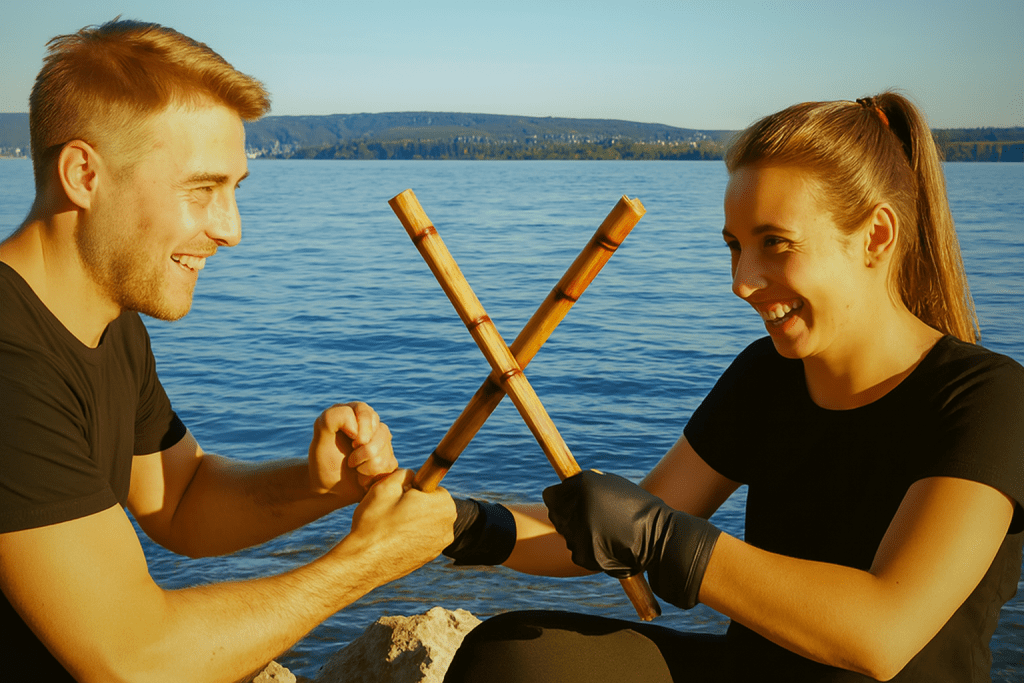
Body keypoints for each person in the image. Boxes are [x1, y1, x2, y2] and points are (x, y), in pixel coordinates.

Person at [440, 92, 1024, 682]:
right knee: (516, 653)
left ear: (875, 236)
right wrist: (456, 524)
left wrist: (660, 536)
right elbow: (606, 534)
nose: (743, 282)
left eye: (775, 242)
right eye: (735, 247)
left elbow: (881, 633)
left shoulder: (988, 397)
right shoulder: (767, 375)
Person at [0, 19, 455, 682]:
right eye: (201, 189)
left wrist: (319, 486)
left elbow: (178, 499)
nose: (231, 229)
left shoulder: (107, 323)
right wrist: (367, 560)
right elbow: (133, 659)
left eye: (235, 188)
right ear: (83, 173)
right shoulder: (10, 366)